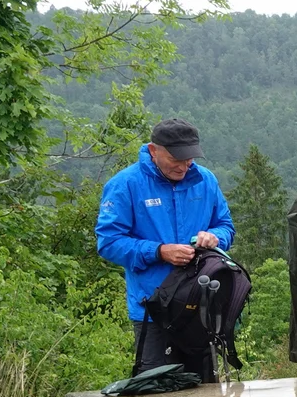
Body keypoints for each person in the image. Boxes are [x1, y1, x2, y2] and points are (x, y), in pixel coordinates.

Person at [95, 118, 235, 380]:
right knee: (157, 394)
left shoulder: (205, 180)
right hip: (153, 310)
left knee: (205, 394)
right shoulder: (125, 184)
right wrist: (159, 251)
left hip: (201, 307)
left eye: (189, 159)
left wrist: (214, 237)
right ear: (153, 150)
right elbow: (109, 242)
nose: (184, 166)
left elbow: (226, 226)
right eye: (176, 159)